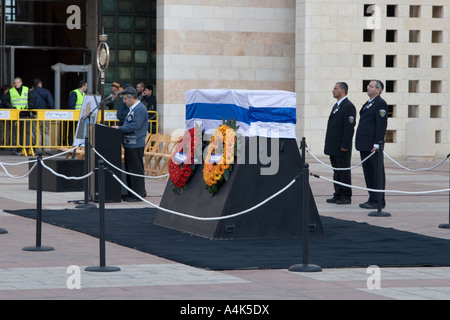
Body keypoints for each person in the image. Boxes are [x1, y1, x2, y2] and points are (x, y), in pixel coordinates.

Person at [355, 80, 388, 209]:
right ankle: (372, 197)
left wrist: (378, 144)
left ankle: (378, 200)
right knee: (368, 174)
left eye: (371, 86)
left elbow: (381, 126)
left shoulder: (380, 103)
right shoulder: (369, 103)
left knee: (376, 173)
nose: (368, 87)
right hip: (365, 144)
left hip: (373, 145)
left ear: (378, 90)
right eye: (368, 85)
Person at [112, 87, 148, 202]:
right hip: (129, 143)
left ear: (132, 97)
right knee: (129, 170)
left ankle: (138, 194)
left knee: (135, 170)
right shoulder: (133, 108)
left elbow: (135, 125)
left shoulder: (140, 109)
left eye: (124, 99)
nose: (124, 101)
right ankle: (131, 193)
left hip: (135, 143)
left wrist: (120, 128)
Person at [324, 82, 356, 205]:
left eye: (335, 88)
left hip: (341, 147)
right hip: (334, 146)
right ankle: (338, 193)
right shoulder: (337, 105)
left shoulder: (348, 106)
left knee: (344, 172)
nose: (333, 90)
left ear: (342, 91)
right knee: (337, 172)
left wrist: (345, 145)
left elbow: (349, 128)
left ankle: (346, 195)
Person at [4, 77, 35, 155]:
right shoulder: (11, 91)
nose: (16, 84)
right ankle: (15, 149)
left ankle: (26, 148)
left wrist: (31, 106)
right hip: (16, 115)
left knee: (26, 132)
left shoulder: (26, 89)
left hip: (25, 114)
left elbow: (31, 99)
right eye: (15, 82)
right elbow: (6, 101)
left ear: (21, 83)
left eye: (18, 82)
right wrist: (11, 107)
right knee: (15, 133)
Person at [30, 79, 54, 154]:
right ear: (40, 84)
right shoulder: (46, 92)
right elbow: (51, 104)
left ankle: (38, 149)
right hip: (44, 114)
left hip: (35, 114)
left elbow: (30, 104)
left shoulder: (31, 92)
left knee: (37, 132)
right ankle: (47, 149)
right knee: (46, 131)